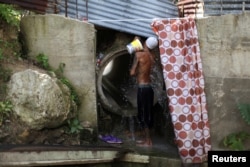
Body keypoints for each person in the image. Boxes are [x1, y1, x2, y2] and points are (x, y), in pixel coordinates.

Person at [129, 36, 158, 147]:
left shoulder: (138, 55)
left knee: (143, 114)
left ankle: (148, 141)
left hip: (142, 88)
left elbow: (132, 72)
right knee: (148, 113)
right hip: (149, 88)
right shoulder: (152, 56)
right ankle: (146, 138)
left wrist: (136, 50)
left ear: (145, 42)